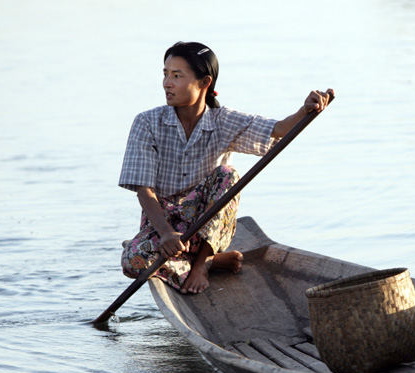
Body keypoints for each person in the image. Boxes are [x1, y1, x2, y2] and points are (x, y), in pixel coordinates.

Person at [119, 41, 333, 294]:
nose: (167, 83)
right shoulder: (147, 122)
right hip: (165, 225)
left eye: (177, 76)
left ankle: (203, 263)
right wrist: (166, 234)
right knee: (133, 260)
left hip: (206, 225)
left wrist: (305, 111)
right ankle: (212, 261)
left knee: (227, 174)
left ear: (204, 83)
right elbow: (144, 190)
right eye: (165, 74)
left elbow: (277, 130)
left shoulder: (223, 120)